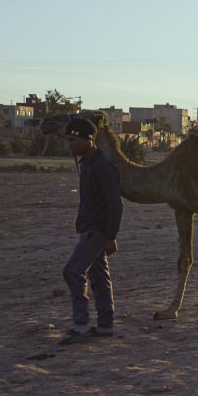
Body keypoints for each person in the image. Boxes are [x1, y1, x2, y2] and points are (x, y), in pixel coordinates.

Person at [59, 117, 122, 345]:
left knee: (73, 272)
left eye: (73, 140)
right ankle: (105, 326)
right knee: (99, 277)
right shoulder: (86, 163)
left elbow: (115, 203)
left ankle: (81, 325)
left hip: (97, 231)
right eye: (68, 140)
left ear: (88, 139)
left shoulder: (103, 166)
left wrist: (110, 236)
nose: (70, 145)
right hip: (88, 228)